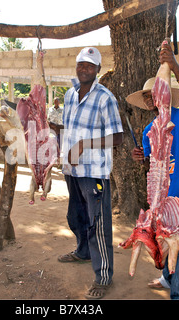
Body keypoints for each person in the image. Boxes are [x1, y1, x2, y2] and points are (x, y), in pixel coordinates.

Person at [127, 41, 179, 299]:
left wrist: (174, 66)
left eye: (155, 93)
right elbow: (155, 164)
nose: (152, 98)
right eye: (148, 96)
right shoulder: (149, 130)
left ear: (166, 93)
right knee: (165, 237)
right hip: (164, 197)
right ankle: (166, 278)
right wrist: (141, 157)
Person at [57, 47, 124, 299]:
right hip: (71, 168)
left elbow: (117, 137)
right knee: (76, 216)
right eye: (81, 64)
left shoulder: (105, 98)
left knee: (98, 224)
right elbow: (68, 127)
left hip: (94, 171)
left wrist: (85, 144)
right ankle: (83, 252)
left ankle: (103, 276)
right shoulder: (69, 95)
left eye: (90, 65)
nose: (84, 69)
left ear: (97, 70)